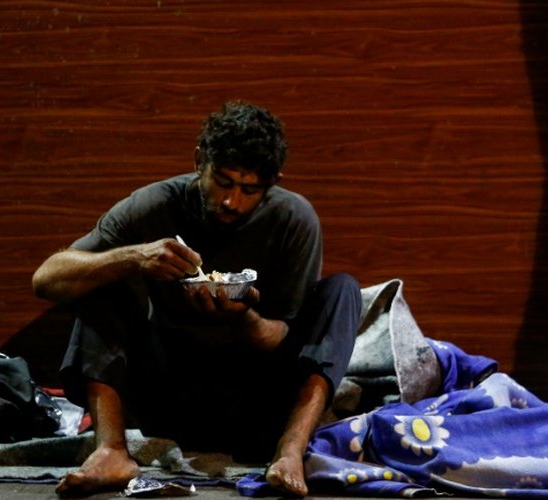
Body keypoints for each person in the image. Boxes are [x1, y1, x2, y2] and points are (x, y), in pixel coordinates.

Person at [32, 101, 361, 497]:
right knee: (102, 278)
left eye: (249, 190)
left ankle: (290, 452)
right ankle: (111, 450)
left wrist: (243, 318)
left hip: (255, 403)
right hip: (167, 393)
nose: (231, 201)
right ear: (199, 160)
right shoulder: (155, 204)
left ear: (270, 185)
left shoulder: (293, 219)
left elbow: (283, 341)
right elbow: (46, 278)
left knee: (343, 288)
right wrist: (134, 257)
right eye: (222, 181)